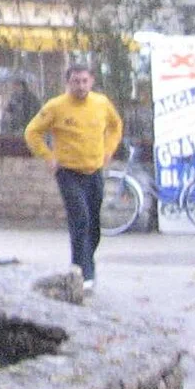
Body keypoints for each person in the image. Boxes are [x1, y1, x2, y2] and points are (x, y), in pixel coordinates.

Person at [24, 63, 124, 285]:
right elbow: (32, 132)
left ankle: (84, 262)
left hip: (94, 169)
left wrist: (109, 149)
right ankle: (83, 271)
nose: (80, 86)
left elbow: (116, 125)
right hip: (68, 171)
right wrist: (48, 156)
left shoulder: (101, 103)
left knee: (94, 224)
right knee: (80, 218)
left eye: (84, 81)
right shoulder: (56, 107)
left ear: (92, 81)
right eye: (75, 81)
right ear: (68, 83)